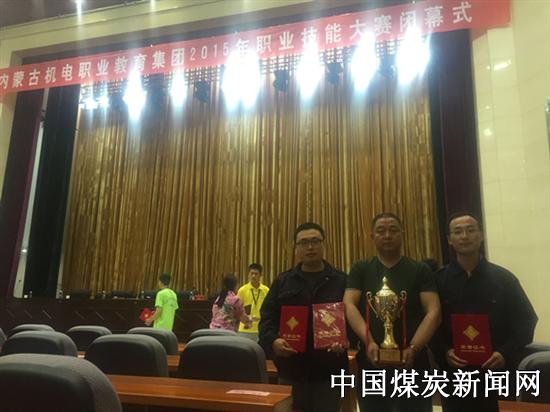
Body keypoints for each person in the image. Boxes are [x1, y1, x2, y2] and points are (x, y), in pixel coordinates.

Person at [432, 212, 538, 412]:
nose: (465, 236)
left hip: (496, 372)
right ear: (449, 240)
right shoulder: (438, 281)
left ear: (481, 235)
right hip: (455, 375)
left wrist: (504, 352)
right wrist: (444, 351)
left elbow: (526, 321)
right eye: (458, 232)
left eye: (471, 230)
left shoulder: (504, 279)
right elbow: (429, 323)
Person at [343, 212, 441, 412]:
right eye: (381, 231)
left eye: (393, 230)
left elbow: (434, 311)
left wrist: (413, 348)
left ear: (402, 234)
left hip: (413, 362)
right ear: (372, 236)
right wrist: (369, 341)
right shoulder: (361, 268)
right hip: (371, 361)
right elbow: (349, 305)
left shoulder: (420, 270)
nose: (387, 235)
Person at [259, 222, 348, 412]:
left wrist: (345, 340)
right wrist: (273, 341)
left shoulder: (342, 281)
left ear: (324, 244)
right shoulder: (283, 281)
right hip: (291, 371)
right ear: (296, 248)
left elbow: (353, 319)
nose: (310, 247)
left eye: (315, 241)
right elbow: (267, 318)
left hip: (330, 372)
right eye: (303, 243)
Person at [237, 263, 269, 341]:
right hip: (245, 329)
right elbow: (237, 309)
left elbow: (268, 309)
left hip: (261, 328)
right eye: (251, 273)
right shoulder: (242, 290)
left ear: (260, 275)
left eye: (256, 274)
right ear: (248, 274)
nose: (253, 276)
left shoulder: (266, 290)